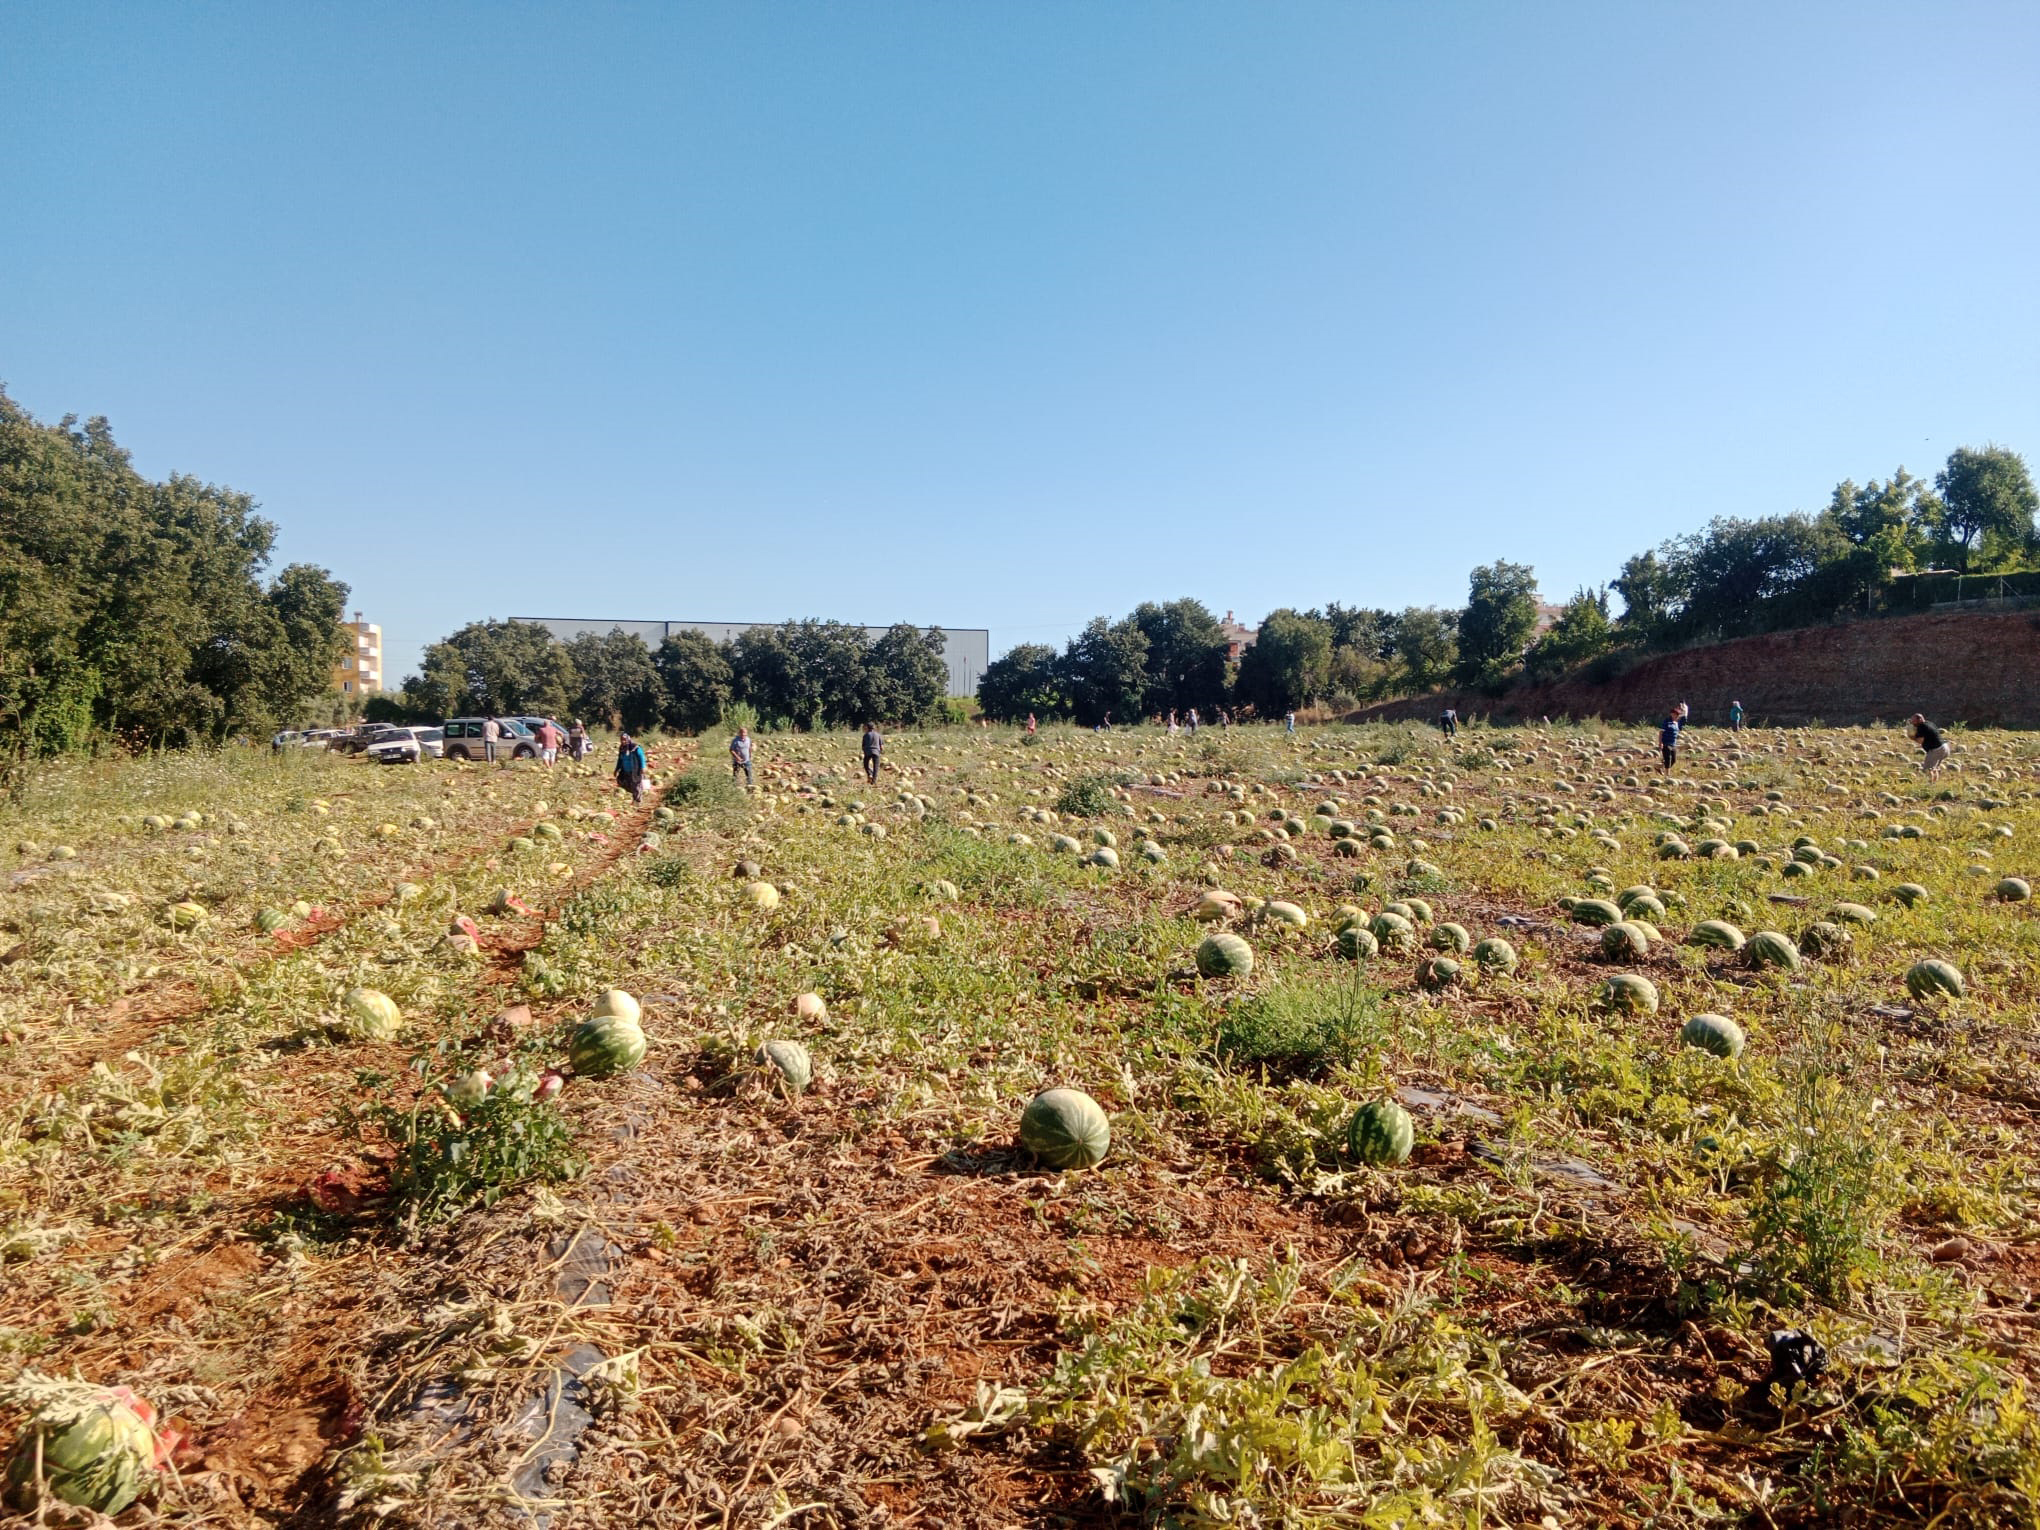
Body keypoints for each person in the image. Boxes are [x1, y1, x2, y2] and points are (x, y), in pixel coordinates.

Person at [614, 732, 647, 803]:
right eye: (621, 739)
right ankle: (636, 796)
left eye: (625, 739)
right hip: (625, 771)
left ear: (628, 739)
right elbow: (620, 760)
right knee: (622, 783)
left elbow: (641, 757)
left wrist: (643, 767)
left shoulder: (635, 747)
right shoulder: (622, 748)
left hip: (635, 770)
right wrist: (616, 769)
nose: (623, 741)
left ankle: (637, 802)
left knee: (636, 786)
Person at [1658, 702, 1689, 772]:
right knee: (1667, 758)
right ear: (1672, 714)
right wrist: (1660, 743)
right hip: (1666, 743)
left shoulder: (1677, 723)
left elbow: (1684, 716)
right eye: (1676, 714)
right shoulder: (1666, 721)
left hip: (1673, 744)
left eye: (1678, 715)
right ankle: (1667, 775)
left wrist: (1683, 708)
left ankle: (1659, 767)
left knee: (1674, 760)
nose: (1677, 716)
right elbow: (1661, 732)